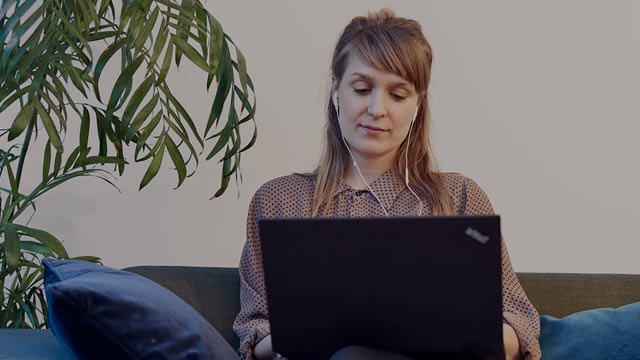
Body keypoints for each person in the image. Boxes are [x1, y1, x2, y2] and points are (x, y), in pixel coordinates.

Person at [233, 8, 542, 360]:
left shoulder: (460, 197)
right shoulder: (277, 202)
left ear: (416, 105)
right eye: (362, 89)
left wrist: (458, 335)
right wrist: (309, 332)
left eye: (397, 95)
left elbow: (519, 320)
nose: (377, 109)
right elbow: (255, 332)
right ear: (336, 90)